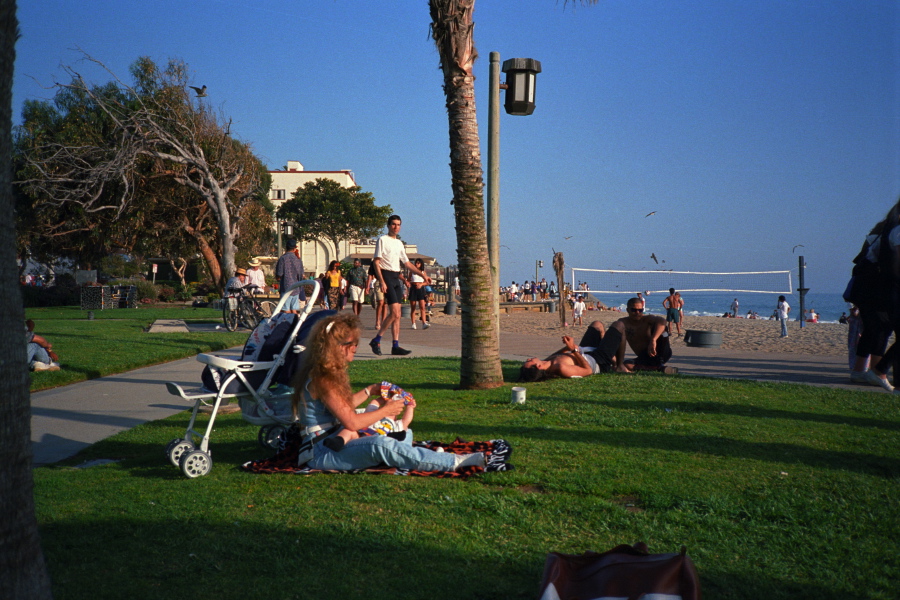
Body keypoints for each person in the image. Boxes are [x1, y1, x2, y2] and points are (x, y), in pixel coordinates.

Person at [292, 312, 511, 472]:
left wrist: (370, 391)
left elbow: (342, 406)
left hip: (335, 440)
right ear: (339, 346)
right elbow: (351, 422)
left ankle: (406, 454)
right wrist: (386, 409)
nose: (356, 348)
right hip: (321, 451)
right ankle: (457, 462)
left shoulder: (324, 373)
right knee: (381, 444)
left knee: (404, 434)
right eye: (354, 344)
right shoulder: (324, 378)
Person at [369, 215, 432, 356]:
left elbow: (407, 263)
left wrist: (423, 275)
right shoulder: (382, 240)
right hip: (386, 276)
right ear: (388, 225)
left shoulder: (399, 243)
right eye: (393, 224)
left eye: (398, 224)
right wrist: (382, 281)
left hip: (396, 277)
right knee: (395, 313)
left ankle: (395, 345)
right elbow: (376, 262)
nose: (396, 227)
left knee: (396, 316)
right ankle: (377, 339)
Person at [323, 389, 416, 452]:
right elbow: (374, 403)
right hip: (362, 435)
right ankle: (338, 441)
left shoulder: (396, 424)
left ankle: (394, 438)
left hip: (382, 438)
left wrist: (410, 406)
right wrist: (384, 398)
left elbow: (406, 420)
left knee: (395, 436)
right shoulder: (374, 413)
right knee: (349, 430)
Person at [275, 238, 306, 314]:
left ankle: (288, 324)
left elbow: (279, 273)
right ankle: (295, 324)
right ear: (294, 248)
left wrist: (278, 278)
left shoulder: (283, 259)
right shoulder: (298, 260)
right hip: (296, 287)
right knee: (294, 309)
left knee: (286, 309)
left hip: (286, 287)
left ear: (286, 248)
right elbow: (301, 274)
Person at [408, 258, 430, 330]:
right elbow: (408, 280)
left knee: (422, 307)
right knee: (413, 307)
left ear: (421, 264)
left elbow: (427, 282)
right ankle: (413, 323)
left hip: (420, 289)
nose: (416, 264)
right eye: (416, 263)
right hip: (413, 289)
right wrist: (409, 284)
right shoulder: (412, 272)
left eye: (418, 263)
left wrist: (421, 284)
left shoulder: (423, 272)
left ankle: (424, 322)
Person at [366, 262, 387, 330]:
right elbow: (370, 275)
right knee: (380, 302)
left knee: (385, 303)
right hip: (379, 282)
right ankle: (378, 321)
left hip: (388, 282)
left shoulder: (387, 259)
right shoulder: (374, 262)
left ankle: (383, 322)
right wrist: (368, 286)